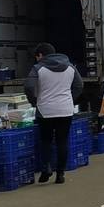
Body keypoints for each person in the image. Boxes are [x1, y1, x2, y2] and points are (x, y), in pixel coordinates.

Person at [24, 42, 84, 185]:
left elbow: (28, 86)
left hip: (45, 111)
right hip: (65, 110)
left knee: (46, 141)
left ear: (41, 55)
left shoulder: (38, 68)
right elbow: (79, 85)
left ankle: (47, 168)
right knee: (62, 141)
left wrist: (34, 101)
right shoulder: (70, 67)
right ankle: (60, 174)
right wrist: (70, 99)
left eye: (37, 56)